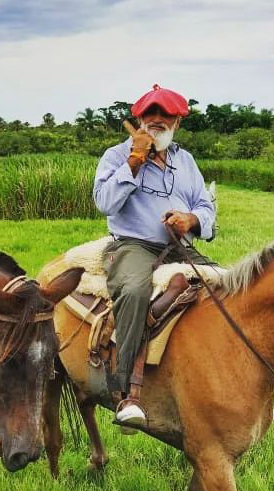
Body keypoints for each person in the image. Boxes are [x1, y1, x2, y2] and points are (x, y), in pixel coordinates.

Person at [93, 85, 216, 429]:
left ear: (177, 120)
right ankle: (126, 392)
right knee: (133, 291)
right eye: (150, 114)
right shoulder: (116, 156)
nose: (156, 120)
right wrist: (134, 160)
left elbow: (205, 205)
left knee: (231, 286)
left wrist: (190, 220)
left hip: (179, 247)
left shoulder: (185, 160)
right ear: (139, 119)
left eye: (165, 115)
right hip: (133, 245)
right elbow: (104, 202)